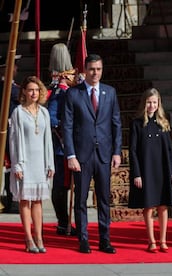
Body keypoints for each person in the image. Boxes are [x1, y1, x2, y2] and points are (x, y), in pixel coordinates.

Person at [63, 54, 122, 254]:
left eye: (98, 69)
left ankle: (105, 239)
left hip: (104, 154)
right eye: (91, 69)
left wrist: (116, 151)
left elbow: (116, 123)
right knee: (81, 199)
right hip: (82, 155)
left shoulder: (110, 92)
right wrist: (70, 155)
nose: (95, 73)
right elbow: (67, 127)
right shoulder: (73, 94)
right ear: (84, 71)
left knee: (104, 199)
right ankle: (83, 238)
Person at [8, 76, 55, 253]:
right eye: (30, 90)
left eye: (36, 90)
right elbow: (13, 141)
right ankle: (28, 239)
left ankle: (39, 237)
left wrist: (50, 164)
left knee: (38, 201)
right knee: (25, 200)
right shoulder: (18, 112)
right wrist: (16, 165)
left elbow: (48, 140)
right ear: (24, 92)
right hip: (24, 162)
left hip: (40, 163)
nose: (34, 93)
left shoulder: (44, 112)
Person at [128, 88, 172, 253]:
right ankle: (151, 240)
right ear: (144, 103)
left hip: (162, 170)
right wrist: (137, 173)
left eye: (155, 102)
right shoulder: (137, 124)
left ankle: (163, 240)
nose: (152, 105)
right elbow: (132, 151)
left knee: (163, 206)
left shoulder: (163, 122)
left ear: (159, 103)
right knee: (148, 206)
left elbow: (169, 150)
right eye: (149, 102)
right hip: (146, 170)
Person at [47, 43, 78, 236]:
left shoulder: (63, 87)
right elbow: (52, 117)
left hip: (68, 144)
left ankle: (64, 221)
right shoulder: (60, 90)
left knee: (64, 185)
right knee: (61, 185)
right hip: (62, 146)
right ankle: (63, 222)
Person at [0, 54, 22, 214]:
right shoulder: (7, 88)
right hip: (7, 133)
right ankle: (12, 201)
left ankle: (12, 200)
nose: (16, 69)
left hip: (10, 132)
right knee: (11, 166)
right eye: (13, 65)